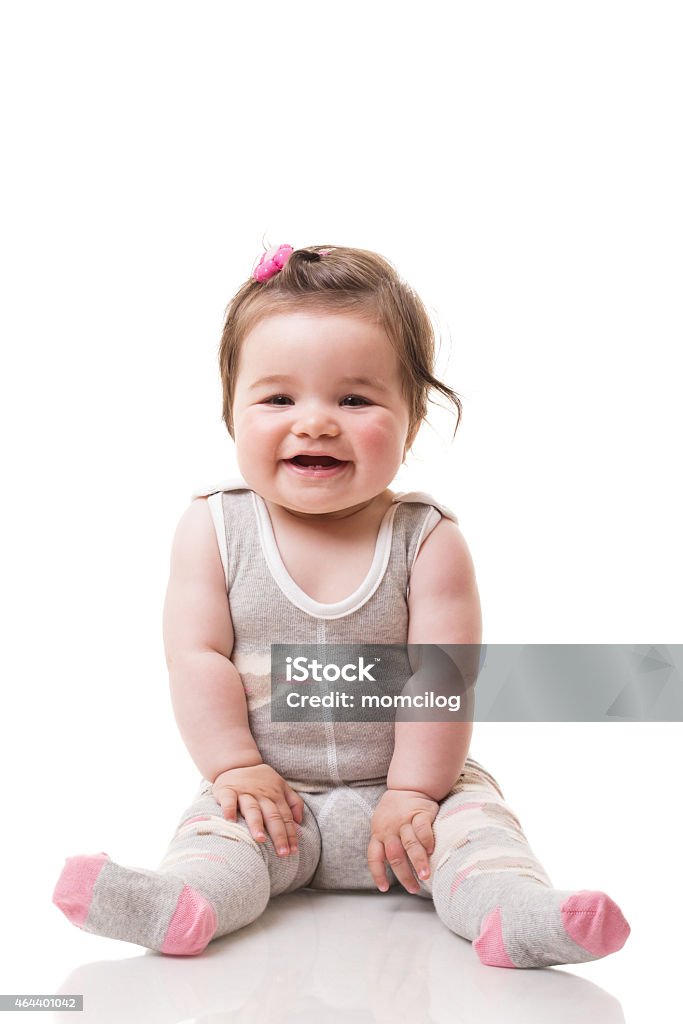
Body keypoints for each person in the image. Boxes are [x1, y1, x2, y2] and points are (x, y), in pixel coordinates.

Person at [52, 243, 630, 968]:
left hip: (414, 795)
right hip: (272, 793)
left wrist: (415, 793)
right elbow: (194, 657)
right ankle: (181, 903)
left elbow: (441, 675)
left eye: (354, 399)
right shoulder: (214, 527)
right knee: (219, 842)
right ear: (231, 412)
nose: (315, 421)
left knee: (478, 838)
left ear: (412, 419)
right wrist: (233, 769)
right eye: (278, 398)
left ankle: (515, 914)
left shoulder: (426, 537)